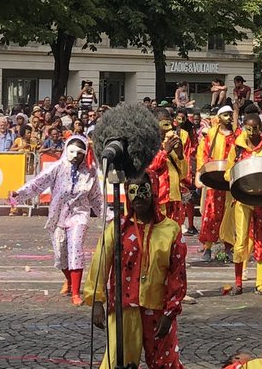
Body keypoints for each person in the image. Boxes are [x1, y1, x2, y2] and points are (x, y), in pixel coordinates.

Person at [83, 168, 187, 369]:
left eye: (144, 191)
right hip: (124, 306)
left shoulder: (170, 230)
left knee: (166, 364)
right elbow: (100, 263)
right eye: (132, 191)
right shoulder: (118, 228)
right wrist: (96, 300)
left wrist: (170, 311)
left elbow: (177, 274)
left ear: (154, 191)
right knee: (117, 361)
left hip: (157, 308)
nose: (138, 197)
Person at [10, 136, 103, 305]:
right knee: (61, 252)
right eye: (72, 152)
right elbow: (38, 183)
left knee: (75, 248)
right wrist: (19, 194)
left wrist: (109, 217)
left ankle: (76, 292)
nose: (75, 156)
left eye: (79, 153)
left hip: (79, 214)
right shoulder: (57, 168)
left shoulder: (90, 172)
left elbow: (96, 197)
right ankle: (68, 279)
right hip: (59, 215)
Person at [223, 112, 262, 297]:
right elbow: (228, 172)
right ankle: (238, 283)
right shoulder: (237, 148)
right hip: (243, 198)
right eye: (248, 129)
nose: (252, 133)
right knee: (241, 241)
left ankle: (259, 283)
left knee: (261, 240)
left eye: (255, 129)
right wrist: (236, 175)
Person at [196, 105, 236, 262]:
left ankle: (228, 247)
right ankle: (208, 247)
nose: (228, 118)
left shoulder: (237, 135)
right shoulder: (212, 133)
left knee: (229, 215)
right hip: (214, 179)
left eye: (230, 115)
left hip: (230, 180)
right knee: (211, 215)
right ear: (218, 118)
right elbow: (203, 153)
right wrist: (201, 173)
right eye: (225, 115)